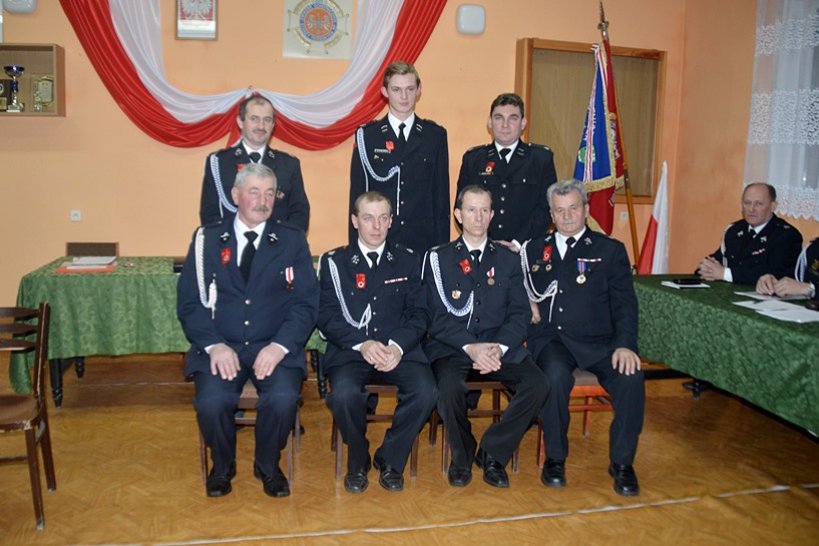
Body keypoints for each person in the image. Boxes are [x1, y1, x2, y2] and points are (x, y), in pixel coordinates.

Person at [178, 163, 318, 498]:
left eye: (269, 193)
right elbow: (190, 303)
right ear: (235, 195)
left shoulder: (291, 240)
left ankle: (268, 465)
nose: (263, 200)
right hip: (222, 344)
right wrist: (214, 346)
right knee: (212, 401)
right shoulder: (207, 239)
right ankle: (222, 466)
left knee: (283, 399)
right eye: (254, 192)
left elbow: (306, 304)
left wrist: (280, 347)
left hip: (272, 344)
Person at [521, 179, 644, 497]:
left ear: (586, 209)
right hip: (553, 340)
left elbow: (625, 304)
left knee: (631, 378)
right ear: (551, 214)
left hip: (601, 342)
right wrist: (527, 301)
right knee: (554, 376)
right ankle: (555, 459)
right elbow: (514, 284)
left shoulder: (609, 250)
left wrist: (626, 344)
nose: (566, 216)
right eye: (559, 210)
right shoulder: (534, 249)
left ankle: (622, 463)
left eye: (573, 208)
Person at [422, 184, 548, 489]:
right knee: (448, 388)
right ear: (458, 215)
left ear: (492, 215)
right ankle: (462, 455)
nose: (478, 217)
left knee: (538, 384)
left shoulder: (508, 259)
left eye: (484, 210)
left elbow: (519, 313)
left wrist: (498, 348)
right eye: (471, 210)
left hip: (499, 346)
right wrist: (471, 347)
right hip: (454, 347)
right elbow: (434, 317)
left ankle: (492, 453)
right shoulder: (438, 259)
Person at [318, 191, 436, 494]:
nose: (376, 226)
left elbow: (420, 313)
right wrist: (363, 344)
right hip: (352, 351)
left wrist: (397, 346)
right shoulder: (335, 262)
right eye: (368, 218)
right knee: (343, 395)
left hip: (399, 351)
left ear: (391, 221)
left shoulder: (408, 260)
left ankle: (391, 459)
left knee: (426, 392)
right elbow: (327, 317)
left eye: (383, 218)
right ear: (355, 220)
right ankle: (358, 461)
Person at [349, 61, 450, 254]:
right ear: (385, 92)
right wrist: (356, 251)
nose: (404, 96)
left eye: (410, 89)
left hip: (422, 243)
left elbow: (441, 202)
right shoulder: (368, 136)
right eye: (396, 89)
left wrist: (440, 253)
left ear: (419, 90)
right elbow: (357, 197)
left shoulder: (434, 136)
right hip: (379, 242)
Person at [456, 92, 557, 251]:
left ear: (523, 123)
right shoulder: (474, 159)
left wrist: (518, 242)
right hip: (482, 249)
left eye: (513, 118)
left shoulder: (540, 159)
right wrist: (484, 243)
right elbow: (462, 208)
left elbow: (547, 208)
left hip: (527, 249)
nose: (505, 125)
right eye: (498, 118)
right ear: (489, 122)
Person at [199, 95, 310, 231]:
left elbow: (300, 214)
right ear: (240, 122)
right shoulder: (219, 163)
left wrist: (281, 242)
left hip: (277, 242)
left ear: (273, 125)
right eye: (254, 119)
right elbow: (210, 214)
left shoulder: (288, 165)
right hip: (231, 242)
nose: (261, 126)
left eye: (267, 120)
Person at [698, 182, 802, 285]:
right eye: (747, 203)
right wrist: (706, 267)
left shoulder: (787, 235)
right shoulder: (734, 230)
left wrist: (725, 274)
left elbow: (775, 274)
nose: (751, 209)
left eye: (758, 204)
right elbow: (720, 259)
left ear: (773, 206)